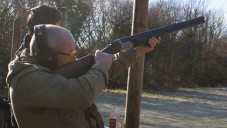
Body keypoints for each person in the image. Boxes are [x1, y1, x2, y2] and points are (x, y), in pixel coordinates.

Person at [6, 24, 160, 128]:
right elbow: (82, 94)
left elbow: (108, 69)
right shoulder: (27, 80)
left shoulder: (50, 69)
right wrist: (99, 65)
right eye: (71, 54)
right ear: (49, 57)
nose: (75, 58)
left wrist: (138, 50)